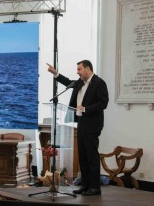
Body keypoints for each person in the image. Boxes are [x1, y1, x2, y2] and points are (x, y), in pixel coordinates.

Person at [47, 60, 109, 196]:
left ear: (87, 68)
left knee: (91, 156)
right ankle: (85, 185)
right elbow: (68, 82)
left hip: (92, 124)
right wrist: (56, 73)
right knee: (82, 156)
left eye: (80, 69)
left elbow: (103, 103)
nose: (77, 72)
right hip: (81, 122)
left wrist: (86, 108)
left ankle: (95, 188)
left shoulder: (99, 83)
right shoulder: (80, 82)